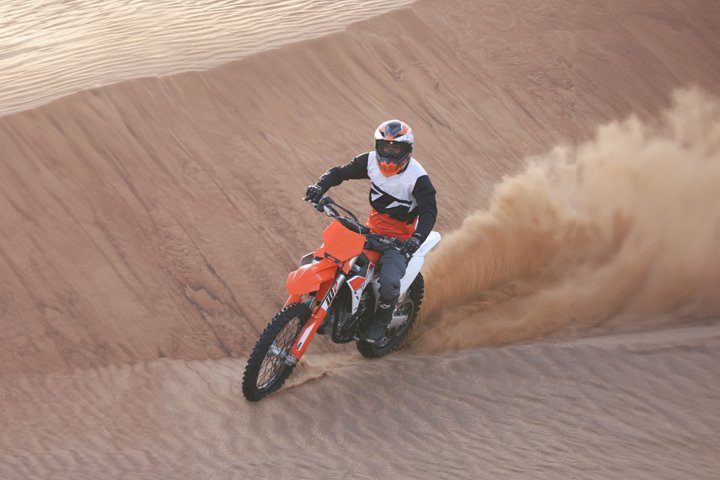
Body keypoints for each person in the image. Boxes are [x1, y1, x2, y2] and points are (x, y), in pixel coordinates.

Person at [305, 119, 437, 343]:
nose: (389, 154)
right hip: (371, 230)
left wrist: (415, 239)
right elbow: (339, 172)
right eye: (385, 147)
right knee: (335, 254)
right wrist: (320, 186)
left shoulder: (417, 178)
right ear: (378, 146)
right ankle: (330, 302)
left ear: (407, 150)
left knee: (388, 281)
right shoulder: (369, 161)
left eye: (396, 149)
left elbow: (429, 212)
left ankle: (381, 322)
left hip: (399, 241)